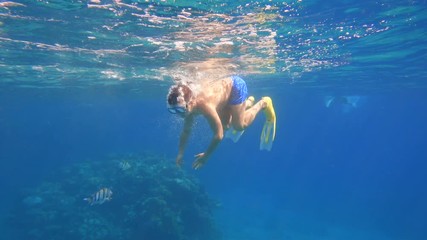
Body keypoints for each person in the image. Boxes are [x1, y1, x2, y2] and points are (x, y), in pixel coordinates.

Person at [167, 76, 276, 169]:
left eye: (180, 110)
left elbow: (218, 135)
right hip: (224, 96)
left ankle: (263, 103)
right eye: (173, 110)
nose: (179, 114)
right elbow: (186, 131)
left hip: (235, 87)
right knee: (226, 126)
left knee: (239, 126)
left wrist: (206, 156)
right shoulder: (187, 109)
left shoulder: (205, 105)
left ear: (190, 102)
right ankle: (247, 103)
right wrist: (180, 153)